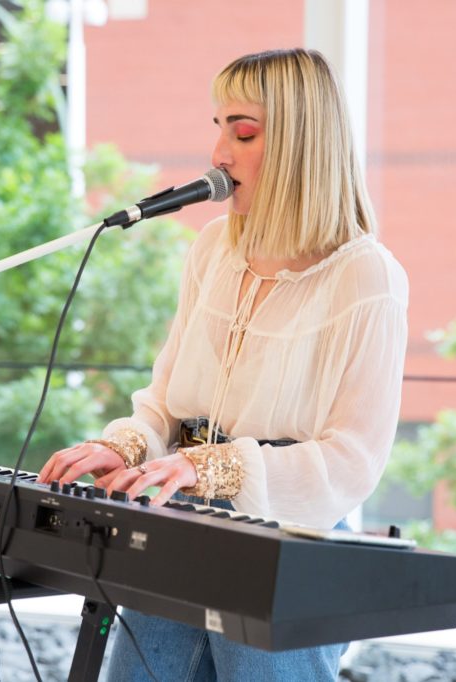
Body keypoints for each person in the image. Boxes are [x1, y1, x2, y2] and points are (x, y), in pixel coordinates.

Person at [38, 48, 408, 681]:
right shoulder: (213, 248)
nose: (219, 153)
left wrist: (209, 466)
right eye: (218, 127)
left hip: (290, 546)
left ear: (302, 145)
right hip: (177, 521)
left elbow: (352, 460)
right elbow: (166, 402)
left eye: (243, 132)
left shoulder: (366, 276)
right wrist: (124, 447)